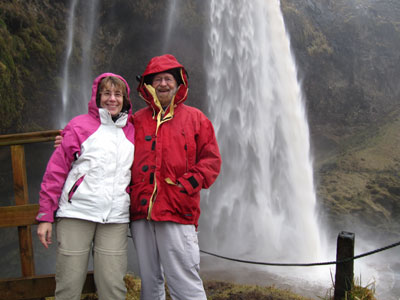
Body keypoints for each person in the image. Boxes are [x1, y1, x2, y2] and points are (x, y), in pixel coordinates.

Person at [129, 54, 222, 300]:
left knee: (184, 282)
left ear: (178, 83)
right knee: (149, 283)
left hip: (177, 210)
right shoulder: (135, 121)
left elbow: (211, 160)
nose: (163, 84)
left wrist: (185, 186)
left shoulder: (196, 119)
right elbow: (108, 140)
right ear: (148, 85)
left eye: (168, 78)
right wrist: (72, 138)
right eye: (157, 79)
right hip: (141, 213)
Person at [37, 73, 135, 300]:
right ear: (97, 96)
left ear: (125, 99)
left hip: (115, 218)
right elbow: (56, 172)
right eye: (107, 93)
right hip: (76, 214)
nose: (112, 99)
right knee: (68, 284)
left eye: (118, 94)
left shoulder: (133, 130)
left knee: (113, 286)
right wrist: (45, 216)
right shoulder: (79, 126)